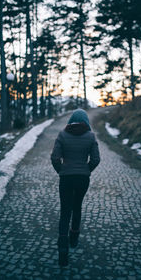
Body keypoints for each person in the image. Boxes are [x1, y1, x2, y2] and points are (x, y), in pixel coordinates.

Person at [51, 108, 100, 266]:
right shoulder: (91, 136)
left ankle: (63, 247)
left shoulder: (62, 134)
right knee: (77, 206)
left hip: (66, 178)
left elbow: (55, 158)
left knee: (65, 211)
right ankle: (74, 238)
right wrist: (87, 170)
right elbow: (96, 159)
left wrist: (61, 170)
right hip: (82, 179)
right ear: (86, 121)